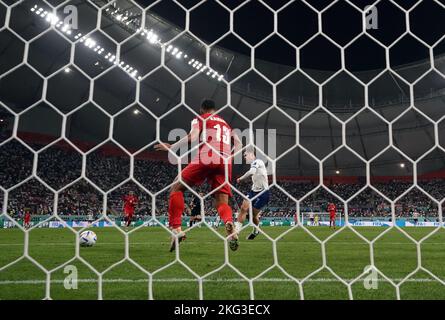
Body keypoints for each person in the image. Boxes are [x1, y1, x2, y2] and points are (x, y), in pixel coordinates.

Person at [155, 99, 242, 252]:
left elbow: (193, 137)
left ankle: (176, 229)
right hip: (225, 160)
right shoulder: (227, 126)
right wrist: (228, 157)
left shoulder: (200, 118)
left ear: (202, 109)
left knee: (176, 187)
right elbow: (240, 145)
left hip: (207, 155)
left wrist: (172, 147)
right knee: (222, 202)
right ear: (215, 109)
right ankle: (230, 225)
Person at [234, 149, 269, 240]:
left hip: (263, 193)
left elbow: (251, 172)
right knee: (243, 208)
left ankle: (256, 230)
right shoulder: (252, 165)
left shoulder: (258, 161)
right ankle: (236, 231)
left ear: (251, 154)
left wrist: (240, 179)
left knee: (252, 216)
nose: (244, 157)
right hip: (253, 191)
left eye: (245, 155)